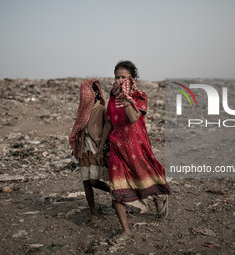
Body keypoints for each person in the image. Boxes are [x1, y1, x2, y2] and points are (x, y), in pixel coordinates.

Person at [97, 61, 171, 244]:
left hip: (136, 147)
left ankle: (157, 200)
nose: (120, 80)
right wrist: (101, 147)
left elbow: (132, 117)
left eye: (124, 77)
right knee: (117, 189)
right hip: (116, 147)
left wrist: (126, 97)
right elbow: (108, 122)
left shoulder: (139, 96)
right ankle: (126, 231)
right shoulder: (113, 98)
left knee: (143, 178)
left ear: (132, 78)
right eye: (117, 77)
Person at [69, 79, 110, 223]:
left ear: (97, 93)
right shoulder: (81, 110)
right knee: (86, 182)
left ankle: (115, 193)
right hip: (83, 150)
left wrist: (105, 150)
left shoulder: (102, 110)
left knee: (93, 181)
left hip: (95, 149)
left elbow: (108, 131)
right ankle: (93, 211)